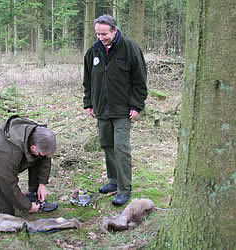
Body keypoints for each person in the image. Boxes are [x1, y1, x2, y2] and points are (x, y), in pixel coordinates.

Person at [83, 15, 148, 206]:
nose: (101, 37)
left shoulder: (130, 48)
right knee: (107, 145)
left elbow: (140, 80)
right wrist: (89, 103)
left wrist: (137, 105)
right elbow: (87, 81)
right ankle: (113, 181)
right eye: (98, 34)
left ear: (114, 30)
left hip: (122, 110)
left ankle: (124, 188)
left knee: (121, 148)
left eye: (104, 34)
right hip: (101, 109)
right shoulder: (93, 51)